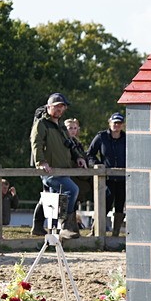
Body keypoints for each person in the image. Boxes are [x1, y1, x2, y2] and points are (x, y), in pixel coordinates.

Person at [30, 92, 88, 239]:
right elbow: (36, 144)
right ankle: (65, 225)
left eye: (62, 107)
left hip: (63, 169)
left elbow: (70, 145)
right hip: (50, 169)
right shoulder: (41, 124)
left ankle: (37, 227)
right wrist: (41, 162)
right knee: (72, 189)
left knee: (49, 198)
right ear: (49, 107)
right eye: (56, 106)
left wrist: (79, 157)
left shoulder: (61, 126)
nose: (60, 110)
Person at [88, 112, 127, 237]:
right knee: (105, 204)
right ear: (109, 123)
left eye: (119, 123)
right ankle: (95, 231)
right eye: (115, 122)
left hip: (123, 177)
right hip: (106, 178)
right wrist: (98, 165)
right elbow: (90, 154)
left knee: (120, 205)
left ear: (122, 125)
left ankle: (115, 234)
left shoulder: (127, 138)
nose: (117, 125)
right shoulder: (101, 137)